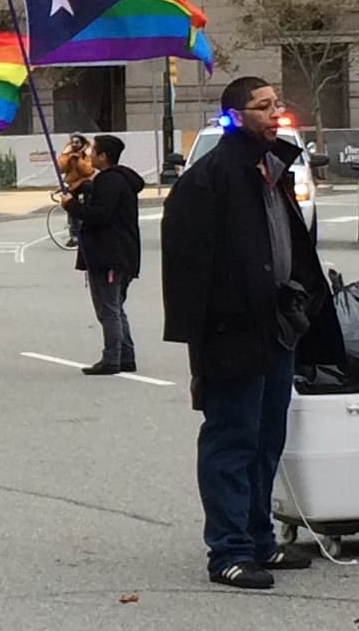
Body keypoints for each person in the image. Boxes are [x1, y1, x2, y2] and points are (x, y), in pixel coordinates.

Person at [162, 76, 341, 590]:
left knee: (267, 440)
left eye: (276, 104)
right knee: (232, 440)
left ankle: (262, 540)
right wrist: (208, 336)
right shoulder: (210, 179)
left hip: (277, 328)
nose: (274, 113)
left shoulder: (272, 169)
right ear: (237, 116)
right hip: (231, 335)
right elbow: (190, 268)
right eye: (262, 106)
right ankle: (229, 552)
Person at [62, 134, 144, 376]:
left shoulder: (109, 182)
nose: (90, 156)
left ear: (103, 156)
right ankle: (125, 355)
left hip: (108, 253)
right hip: (122, 253)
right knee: (116, 307)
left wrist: (72, 206)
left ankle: (112, 358)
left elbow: (100, 215)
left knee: (107, 309)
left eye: (94, 152)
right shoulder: (120, 180)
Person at [57, 134, 94, 247]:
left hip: (85, 183)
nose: (74, 144)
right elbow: (60, 168)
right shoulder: (67, 153)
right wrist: (67, 156)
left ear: (82, 143)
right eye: (72, 142)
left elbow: (88, 170)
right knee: (71, 207)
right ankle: (74, 235)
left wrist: (78, 159)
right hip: (72, 184)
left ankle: (89, 229)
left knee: (88, 198)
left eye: (77, 142)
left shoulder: (87, 153)